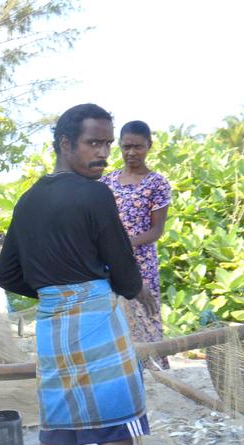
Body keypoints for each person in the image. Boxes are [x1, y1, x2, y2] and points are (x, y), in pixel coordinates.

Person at [0, 103, 161, 445]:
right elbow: (124, 269)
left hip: (53, 328)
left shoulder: (27, 201)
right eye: (95, 143)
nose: (105, 153)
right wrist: (131, 289)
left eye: (108, 144)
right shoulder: (95, 197)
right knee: (115, 442)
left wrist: (53, 289)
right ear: (65, 144)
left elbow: (8, 274)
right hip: (96, 324)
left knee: (53, 443)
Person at [100, 120, 172, 369]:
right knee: (112, 312)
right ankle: (119, 365)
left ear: (149, 146)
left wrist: (125, 244)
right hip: (108, 261)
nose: (131, 152)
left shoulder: (157, 184)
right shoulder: (106, 182)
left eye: (138, 147)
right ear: (119, 146)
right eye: (126, 146)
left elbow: (156, 230)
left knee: (145, 311)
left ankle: (152, 366)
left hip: (141, 261)